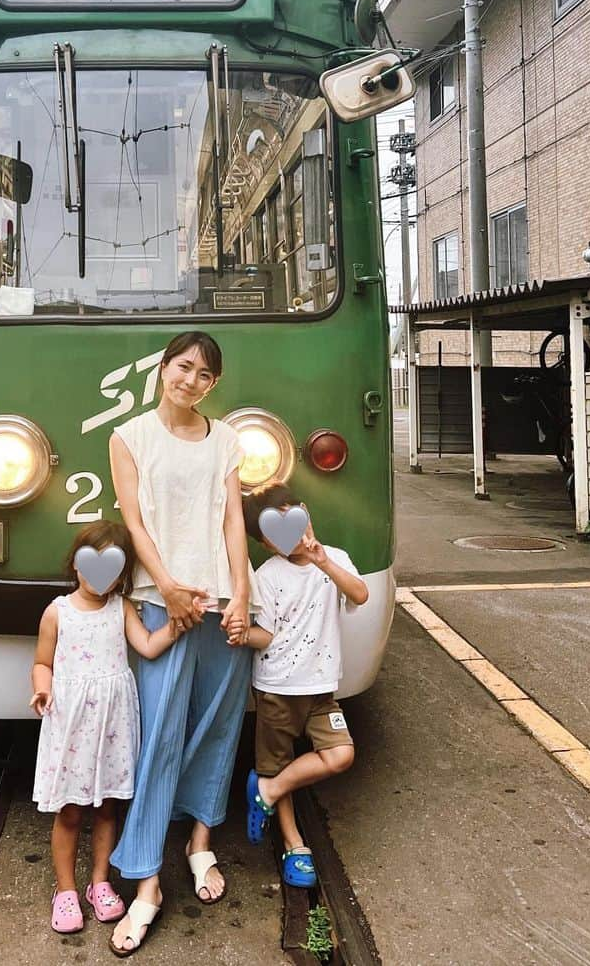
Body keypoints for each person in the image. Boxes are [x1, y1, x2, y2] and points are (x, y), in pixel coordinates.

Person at [107, 331, 255, 957]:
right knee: (159, 734)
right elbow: (133, 520)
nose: (190, 381)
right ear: (162, 369)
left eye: (203, 375)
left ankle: (200, 844)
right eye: (182, 368)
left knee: (217, 727)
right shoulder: (129, 436)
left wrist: (243, 592)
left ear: (213, 386)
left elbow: (232, 521)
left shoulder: (225, 440)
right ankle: (145, 881)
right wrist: (166, 586)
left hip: (220, 603)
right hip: (163, 600)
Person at [30, 521, 182, 935]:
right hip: (73, 727)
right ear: (76, 566)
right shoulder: (56, 612)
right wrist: (42, 690)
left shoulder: (122, 608)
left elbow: (148, 646)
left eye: (113, 569)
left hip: (112, 727)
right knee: (70, 811)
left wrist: (179, 623)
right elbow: (43, 661)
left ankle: (100, 882)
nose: (102, 577)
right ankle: (65, 891)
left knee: (107, 808)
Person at [240, 483, 368, 889]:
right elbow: (267, 635)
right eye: (275, 534)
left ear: (306, 512)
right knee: (277, 760)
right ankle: (295, 845)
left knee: (340, 755)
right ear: (265, 543)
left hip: (320, 688)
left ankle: (267, 789)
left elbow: (360, 595)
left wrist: (324, 562)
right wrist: (240, 632)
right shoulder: (268, 576)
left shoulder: (336, 559)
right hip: (277, 686)